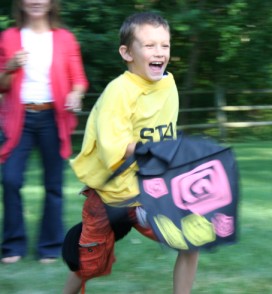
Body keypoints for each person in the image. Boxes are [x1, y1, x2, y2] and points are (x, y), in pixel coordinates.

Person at [62, 12, 198, 294]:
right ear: (127, 53)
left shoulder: (168, 85)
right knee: (91, 265)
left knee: (191, 240)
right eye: (149, 45)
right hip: (110, 196)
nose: (159, 52)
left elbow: (165, 133)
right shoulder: (118, 92)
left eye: (165, 45)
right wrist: (158, 151)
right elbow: (117, 147)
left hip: (148, 192)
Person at [0, 0, 88, 264]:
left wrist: (75, 94)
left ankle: (50, 246)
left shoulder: (64, 38)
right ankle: (13, 245)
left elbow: (79, 80)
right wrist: (10, 66)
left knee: (54, 184)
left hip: (53, 117)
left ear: (51, 3)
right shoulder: (9, 37)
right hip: (19, 119)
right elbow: (2, 85)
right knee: (11, 180)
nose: (36, 1)